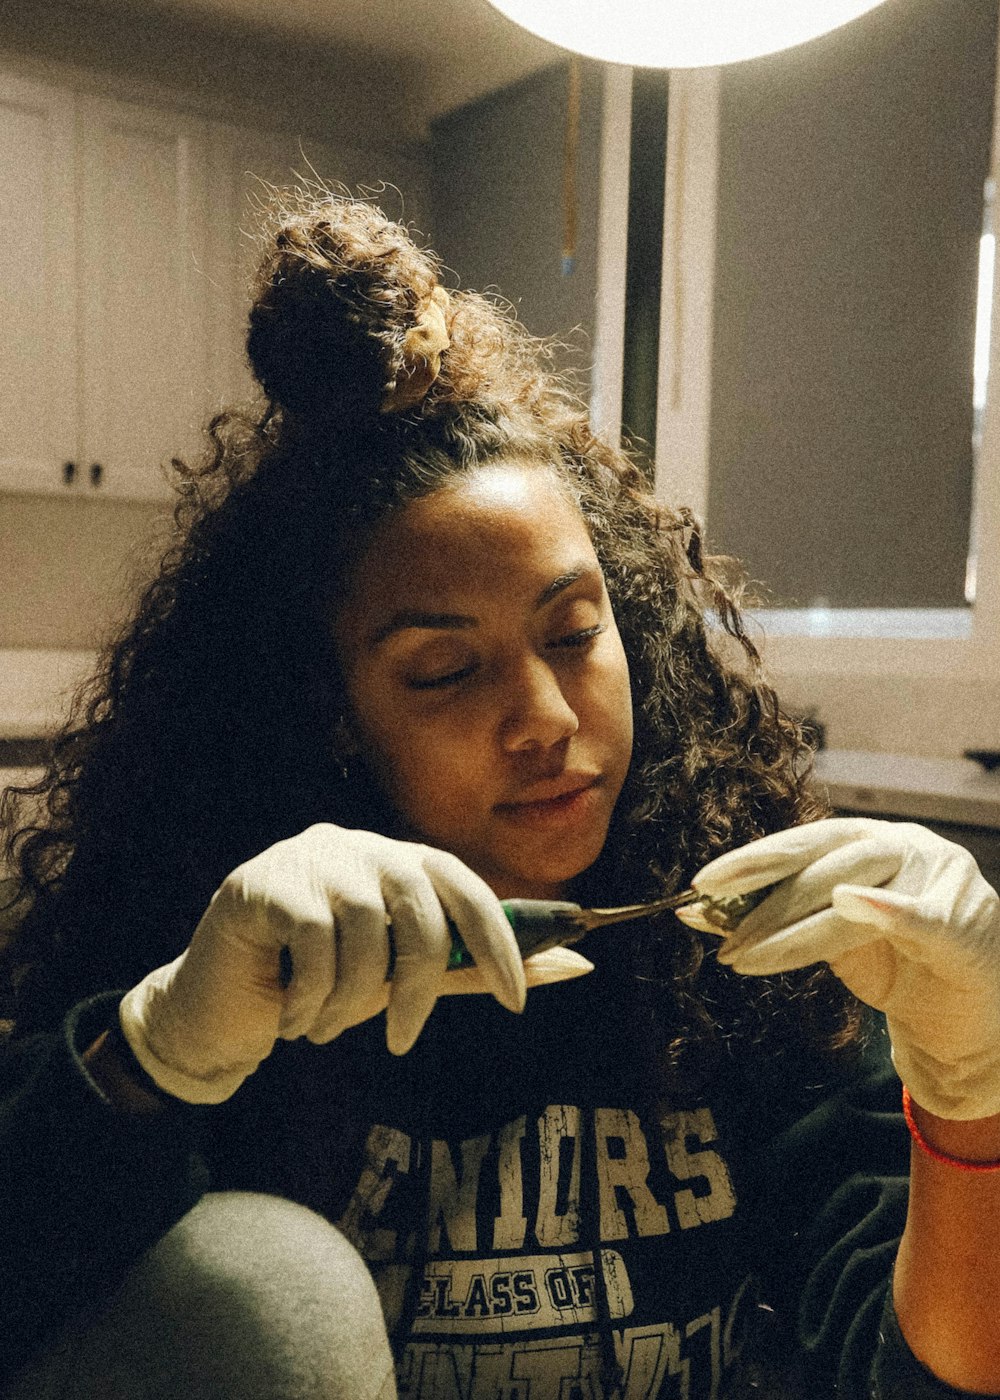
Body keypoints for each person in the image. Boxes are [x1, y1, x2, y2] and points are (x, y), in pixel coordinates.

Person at [1, 192, 999, 1400]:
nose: (547, 718)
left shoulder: (760, 966)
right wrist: (155, 1051)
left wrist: (976, 1097)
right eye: (443, 669)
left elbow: (928, 1372)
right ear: (329, 709)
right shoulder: (207, 958)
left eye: (576, 632)